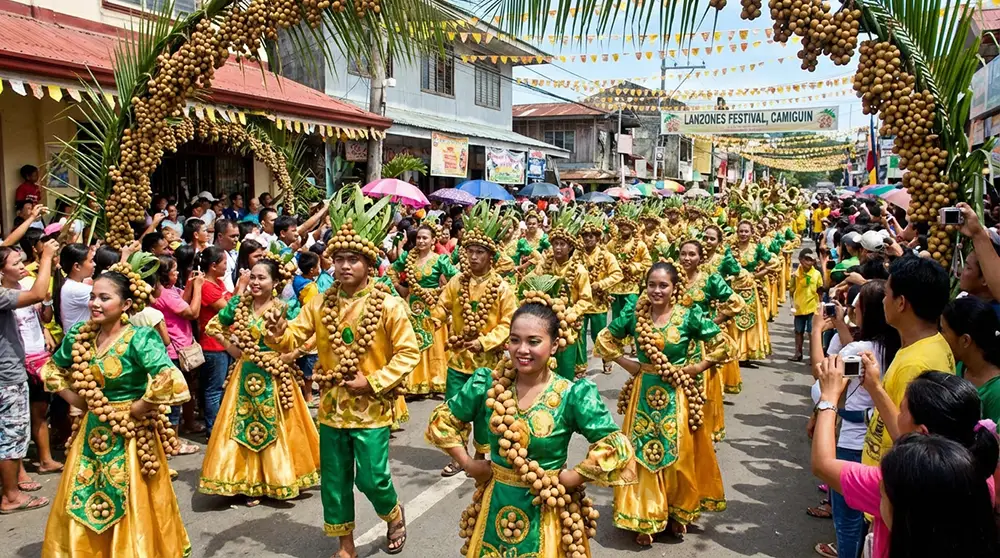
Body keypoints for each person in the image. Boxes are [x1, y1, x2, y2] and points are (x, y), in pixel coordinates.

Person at [263, 188, 418, 557]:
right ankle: (345, 543)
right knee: (334, 481)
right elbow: (293, 338)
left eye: (353, 259)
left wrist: (374, 380)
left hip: (372, 409)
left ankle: (393, 513)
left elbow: (409, 351)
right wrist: (274, 331)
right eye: (340, 259)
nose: (345, 265)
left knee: (373, 478)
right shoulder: (319, 302)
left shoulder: (388, 304)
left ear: (368, 263)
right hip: (332, 408)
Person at [425, 302, 637, 558]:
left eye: (533, 341)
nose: (522, 350)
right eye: (515, 340)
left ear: (554, 346)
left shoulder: (572, 395)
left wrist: (576, 476)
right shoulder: (488, 385)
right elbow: (443, 420)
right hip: (496, 504)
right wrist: (467, 463)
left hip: (547, 508)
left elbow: (616, 444)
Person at [40, 269, 192, 556]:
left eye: (104, 298)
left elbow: (168, 377)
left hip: (132, 435)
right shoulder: (79, 336)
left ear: (125, 305)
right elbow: (53, 368)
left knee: (131, 496)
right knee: (85, 492)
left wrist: (142, 405)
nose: (95, 304)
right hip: (91, 433)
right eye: (93, 297)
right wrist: (81, 400)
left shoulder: (140, 338)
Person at [596, 262, 735, 543]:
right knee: (640, 452)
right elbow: (605, 340)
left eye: (663, 285)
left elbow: (725, 345)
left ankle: (676, 512)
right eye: (652, 285)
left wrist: (697, 368)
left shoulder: (688, 316)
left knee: (679, 454)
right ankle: (645, 517)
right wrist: (630, 365)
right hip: (643, 396)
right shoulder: (636, 317)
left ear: (675, 289)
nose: (656, 290)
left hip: (676, 395)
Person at [812, 362, 999, 558]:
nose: (897, 416)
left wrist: (828, 398)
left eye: (901, 410)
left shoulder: (898, 483)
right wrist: (875, 387)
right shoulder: (980, 473)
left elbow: (822, 465)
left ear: (922, 433)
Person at [200, 259, 321, 506]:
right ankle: (247, 481)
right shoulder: (238, 305)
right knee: (243, 424)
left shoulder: (285, 308)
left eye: (261, 278)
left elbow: (306, 336)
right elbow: (216, 326)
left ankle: (279, 477)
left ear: (275, 282)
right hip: (244, 375)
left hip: (276, 377)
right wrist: (234, 350)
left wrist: (289, 357)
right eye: (252, 277)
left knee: (279, 426)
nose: (255, 283)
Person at [807, 279, 899, 558]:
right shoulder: (893, 347)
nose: (850, 311)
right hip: (881, 440)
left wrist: (816, 331)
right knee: (871, 517)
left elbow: (822, 380)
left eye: (855, 307)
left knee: (848, 519)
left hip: (852, 442)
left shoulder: (857, 352)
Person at [432, 201, 518, 478]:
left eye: (479, 252)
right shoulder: (457, 282)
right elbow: (442, 306)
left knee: (484, 412)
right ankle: (459, 456)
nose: (473, 257)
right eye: (469, 251)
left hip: (488, 363)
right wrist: (432, 320)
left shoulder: (502, 287)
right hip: (458, 360)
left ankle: (481, 455)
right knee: (454, 408)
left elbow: (509, 323)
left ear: (490, 256)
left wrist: (485, 341)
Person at [863, 256, 956, 466]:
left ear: (901, 303)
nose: (883, 301)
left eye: (887, 294)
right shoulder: (933, 343)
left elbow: (909, 440)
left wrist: (875, 387)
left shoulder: (916, 364)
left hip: (891, 479)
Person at [0, 238, 58, 514]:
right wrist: (45, 257)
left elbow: (40, 307)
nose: (21, 266)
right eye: (15, 263)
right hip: (8, 375)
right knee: (11, 436)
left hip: (12, 368)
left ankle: (15, 483)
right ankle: (11, 497)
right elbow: (36, 295)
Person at [389, 224, 459, 397]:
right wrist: (399, 288)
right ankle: (415, 381)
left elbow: (456, 277)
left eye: (425, 238)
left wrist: (442, 292)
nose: (421, 241)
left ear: (433, 240)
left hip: (433, 306)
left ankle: (435, 379)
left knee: (434, 342)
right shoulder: (407, 257)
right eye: (419, 238)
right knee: (414, 341)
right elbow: (391, 271)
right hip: (413, 306)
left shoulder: (439, 260)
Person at [527, 208, 593, 381]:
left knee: (564, 370)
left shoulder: (579, 270)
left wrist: (570, 313)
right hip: (545, 321)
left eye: (562, 244)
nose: (557, 248)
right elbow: (530, 280)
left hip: (567, 326)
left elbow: (586, 300)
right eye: (555, 244)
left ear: (570, 247)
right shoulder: (545, 266)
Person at [150, 255, 204, 438]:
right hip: (174, 351)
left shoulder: (168, 290)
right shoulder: (164, 294)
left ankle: (187, 425)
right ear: (164, 275)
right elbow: (192, 312)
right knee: (175, 397)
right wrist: (198, 288)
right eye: (174, 271)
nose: (178, 273)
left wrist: (189, 285)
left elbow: (183, 299)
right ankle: (173, 441)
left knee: (187, 390)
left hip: (181, 347)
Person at [578, 212, 624, 375]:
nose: (588, 239)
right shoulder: (577, 255)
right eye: (585, 236)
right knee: (579, 336)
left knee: (598, 336)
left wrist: (602, 284)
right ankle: (581, 366)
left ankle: (607, 359)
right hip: (580, 304)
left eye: (591, 236)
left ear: (598, 238)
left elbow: (618, 274)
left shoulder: (606, 256)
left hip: (599, 303)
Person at [195, 246, 234, 437]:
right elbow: (228, 311)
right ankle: (214, 430)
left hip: (225, 343)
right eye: (224, 263)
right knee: (214, 389)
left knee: (224, 387)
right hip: (213, 344)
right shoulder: (206, 286)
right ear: (213, 265)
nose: (226, 267)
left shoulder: (218, 283)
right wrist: (241, 287)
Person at [941, 297, 1000, 422]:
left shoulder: (996, 393)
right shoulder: (960, 366)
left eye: (944, 331)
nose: (940, 338)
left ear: (965, 340)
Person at [731, 220, 773, 362]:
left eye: (746, 231)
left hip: (750, 289)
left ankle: (747, 352)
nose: (743, 234)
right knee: (733, 319)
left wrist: (755, 276)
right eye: (741, 231)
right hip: (733, 290)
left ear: (751, 233)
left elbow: (772, 263)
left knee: (749, 319)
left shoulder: (758, 248)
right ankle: (735, 351)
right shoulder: (730, 249)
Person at [607, 204, 652, 327]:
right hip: (615, 286)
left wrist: (632, 267)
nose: (624, 228)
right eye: (621, 226)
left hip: (632, 285)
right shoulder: (612, 244)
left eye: (627, 226)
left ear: (632, 228)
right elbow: (605, 261)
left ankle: (628, 336)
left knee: (629, 311)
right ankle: (616, 339)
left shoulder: (640, 245)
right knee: (616, 313)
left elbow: (647, 262)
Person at [790, 249, 823, 362]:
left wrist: (820, 305)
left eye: (812, 260)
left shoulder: (816, 274)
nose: (810, 262)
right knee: (798, 331)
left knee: (811, 333)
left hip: (812, 307)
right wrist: (792, 305)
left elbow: (820, 290)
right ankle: (798, 353)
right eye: (807, 259)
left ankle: (812, 356)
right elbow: (792, 290)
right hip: (799, 307)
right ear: (800, 260)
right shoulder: (795, 274)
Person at [55, 243, 95, 332]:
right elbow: (114, 295)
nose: (94, 264)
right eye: (91, 261)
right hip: (78, 341)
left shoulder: (68, 284)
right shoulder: (76, 289)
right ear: (77, 266)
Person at [512, 210, 550, 274]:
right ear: (526, 224)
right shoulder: (522, 241)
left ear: (538, 224)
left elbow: (550, 252)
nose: (531, 226)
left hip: (542, 269)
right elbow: (517, 258)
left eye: (534, 224)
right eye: (529, 224)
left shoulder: (544, 238)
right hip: (525, 272)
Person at [214, 218, 240, 292]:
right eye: (232, 236)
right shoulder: (214, 256)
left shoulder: (232, 252)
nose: (236, 239)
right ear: (220, 236)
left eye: (237, 236)